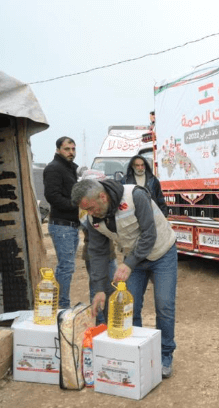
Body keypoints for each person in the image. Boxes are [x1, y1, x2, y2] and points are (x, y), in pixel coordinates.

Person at [72, 178, 178, 378]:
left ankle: (165, 354)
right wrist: (99, 289)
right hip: (134, 259)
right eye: (86, 210)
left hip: (162, 253)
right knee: (130, 306)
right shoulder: (93, 219)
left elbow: (149, 234)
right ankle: (137, 352)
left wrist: (129, 264)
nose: (90, 213)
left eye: (91, 208)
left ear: (102, 197)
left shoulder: (134, 196)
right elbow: (98, 254)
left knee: (164, 305)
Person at [43, 136, 80, 308]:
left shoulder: (69, 168)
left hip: (71, 224)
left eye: (73, 149)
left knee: (67, 267)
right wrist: (76, 206)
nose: (71, 152)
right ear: (58, 150)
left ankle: (61, 304)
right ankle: (61, 306)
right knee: (66, 267)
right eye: (67, 149)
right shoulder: (54, 168)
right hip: (61, 225)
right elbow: (52, 196)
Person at [78, 169, 118, 326]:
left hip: (108, 252)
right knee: (99, 289)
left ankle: (105, 324)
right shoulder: (87, 206)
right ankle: (101, 325)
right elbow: (92, 227)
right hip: (95, 253)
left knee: (109, 289)